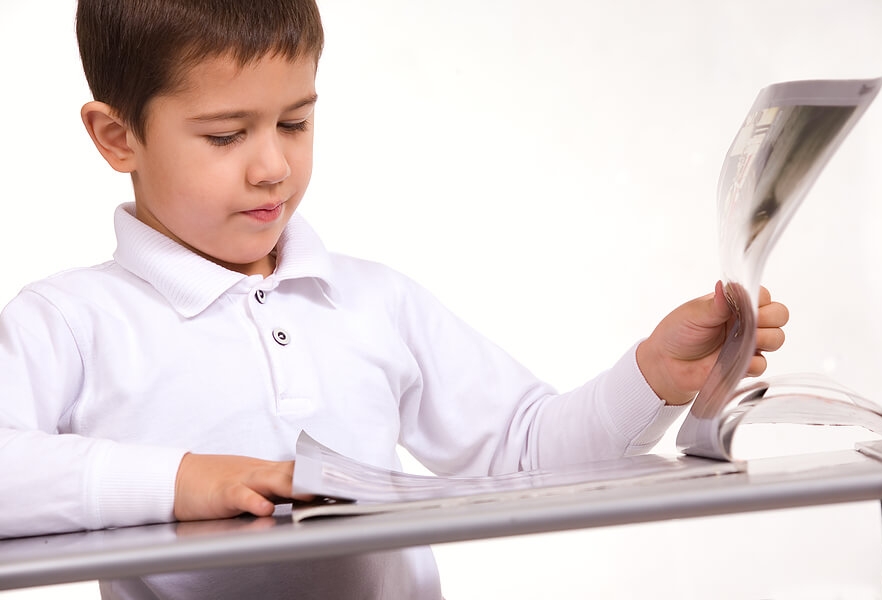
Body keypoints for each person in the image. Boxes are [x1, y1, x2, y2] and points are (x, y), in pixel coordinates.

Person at [0, 0, 788, 598]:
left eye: (296, 121)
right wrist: (184, 481)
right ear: (116, 137)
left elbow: (525, 452)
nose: (272, 166)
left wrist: (651, 376)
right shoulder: (69, 322)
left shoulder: (373, 301)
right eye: (225, 135)